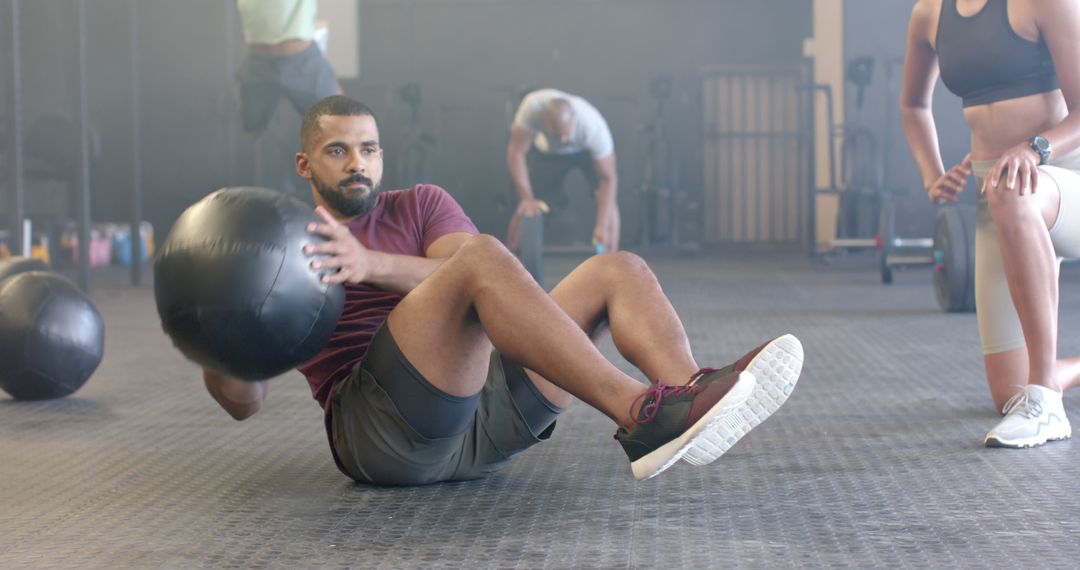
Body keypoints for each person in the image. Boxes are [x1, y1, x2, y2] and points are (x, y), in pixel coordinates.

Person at [201, 95, 804, 485]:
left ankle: (686, 394)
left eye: (368, 148)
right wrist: (220, 343)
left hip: (487, 419)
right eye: (337, 150)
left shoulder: (419, 205)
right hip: (383, 437)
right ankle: (640, 414)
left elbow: (463, 269)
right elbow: (243, 402)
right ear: (305, 165)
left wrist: (370, 263)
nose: (356, 162)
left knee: (617, 268)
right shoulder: (284, 245)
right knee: (484, 259)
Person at [900, 0, 1080, 447]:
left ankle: (1047, 401)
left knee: (1011, 193)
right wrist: (932, 174)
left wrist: (1033, 149)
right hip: (995, 192)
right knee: (1007, 395)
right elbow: (912, 104)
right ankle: (1045, 385)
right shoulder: (930, 14)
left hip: (1062, 178)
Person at [235, 0, 342, 199]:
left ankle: (344, 202)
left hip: (301, 56)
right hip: (258, 61)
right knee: (256, 131)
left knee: (341, 122)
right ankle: (267, 206)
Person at [505, 89, 621, 254]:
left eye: (565, 134)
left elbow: (609, 179)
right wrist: (527, 198)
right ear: (545, 121)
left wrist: (601, 226)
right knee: (526, 206)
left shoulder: (592, 127)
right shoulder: (532, 108)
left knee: (608, 201)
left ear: (573, 118)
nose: (562, 140)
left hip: (584, 152)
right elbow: (515, 152)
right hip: (549, 153)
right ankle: (510, 264)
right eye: (556, 135)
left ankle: (610, 262)